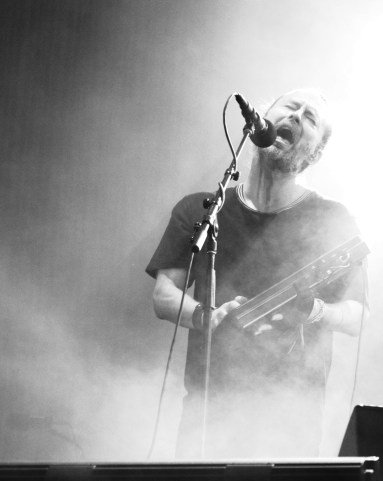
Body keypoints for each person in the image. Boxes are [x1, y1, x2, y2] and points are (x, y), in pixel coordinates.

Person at [145, 89, 368, 458]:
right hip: (206, 416)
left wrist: (314, 311)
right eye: (290, 107)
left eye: (310, 118)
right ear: (257, 123)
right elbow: (163, 294)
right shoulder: (203, 210)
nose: (296, 116)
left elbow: (358, 316)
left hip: (291, 422)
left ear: (315, 154)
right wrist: (208, 317)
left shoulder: (332, 220)